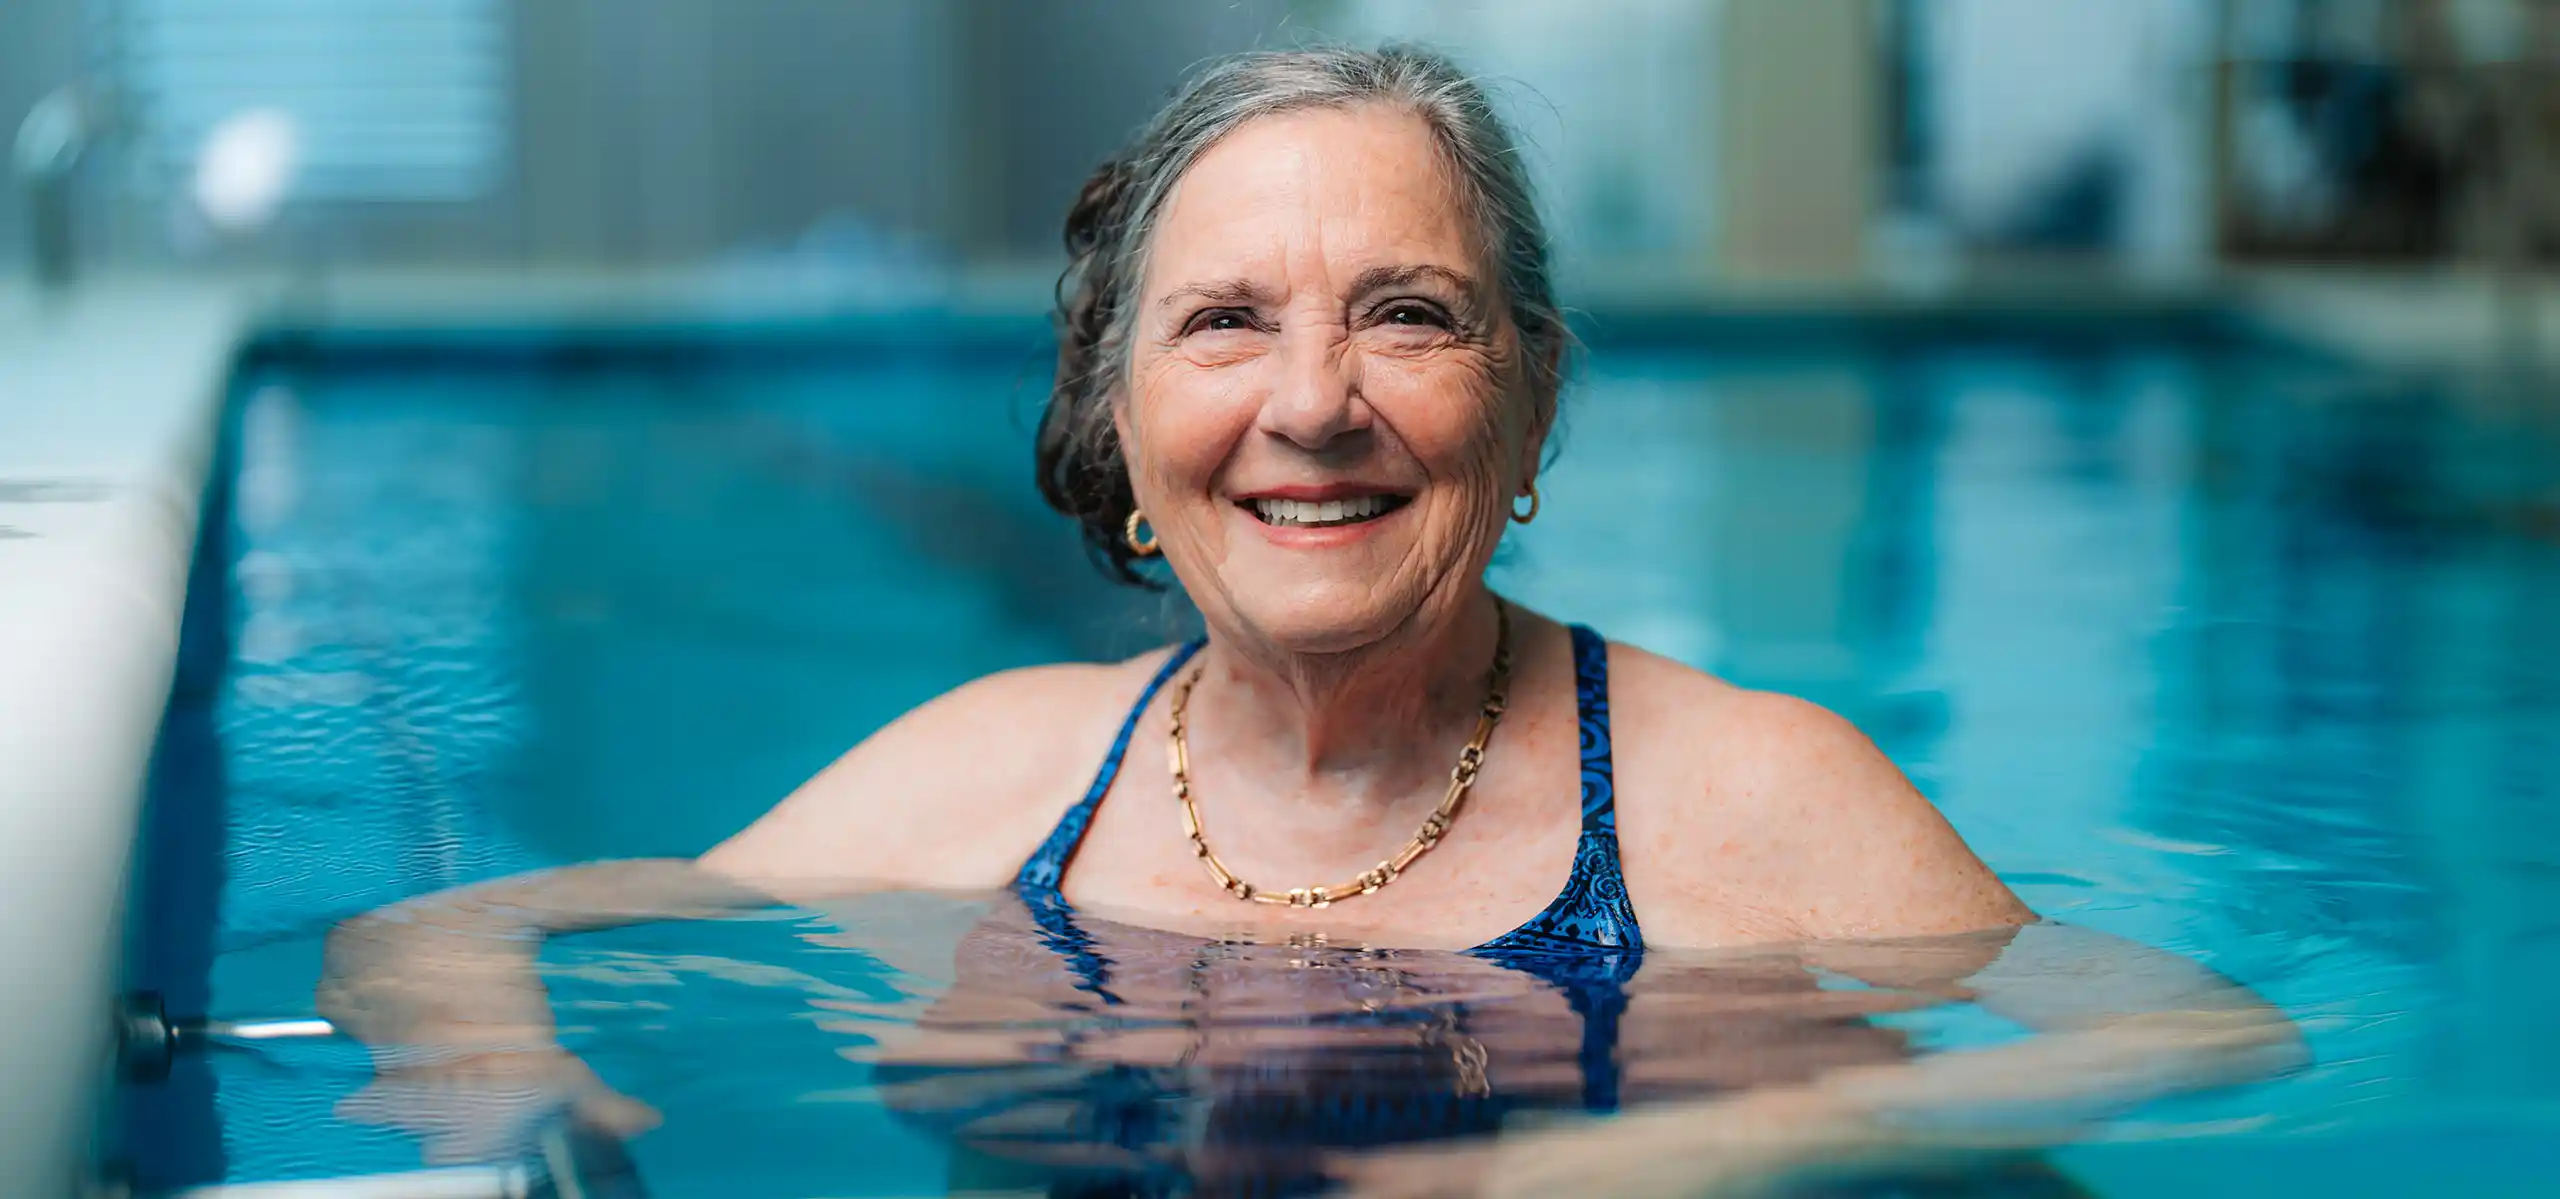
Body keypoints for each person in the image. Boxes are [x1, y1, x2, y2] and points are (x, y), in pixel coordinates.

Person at [320, 45, 2302, 1194]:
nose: (1311, 403)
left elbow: (2194, 1025)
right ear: (1116, 413)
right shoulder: (1005, 771)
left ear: (1523, 399)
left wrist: (1645, 1157)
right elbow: (442, 926)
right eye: (1222, 323)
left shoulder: (1731, 795)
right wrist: (502, 1072)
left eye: (1407, 314)